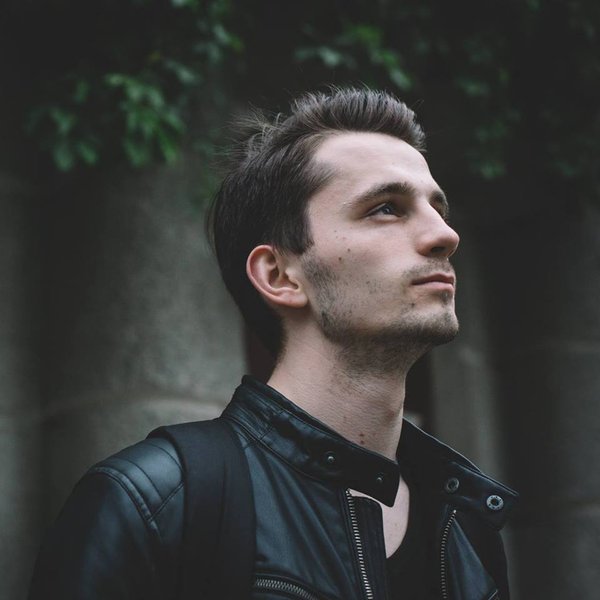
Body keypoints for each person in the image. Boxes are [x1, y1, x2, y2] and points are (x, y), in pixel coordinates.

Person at [29, 88, 518, 599]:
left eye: (438, 209)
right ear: (279, 276)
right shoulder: (154, 502)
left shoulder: (468, 524)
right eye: (385, 208)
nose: (445, 235)